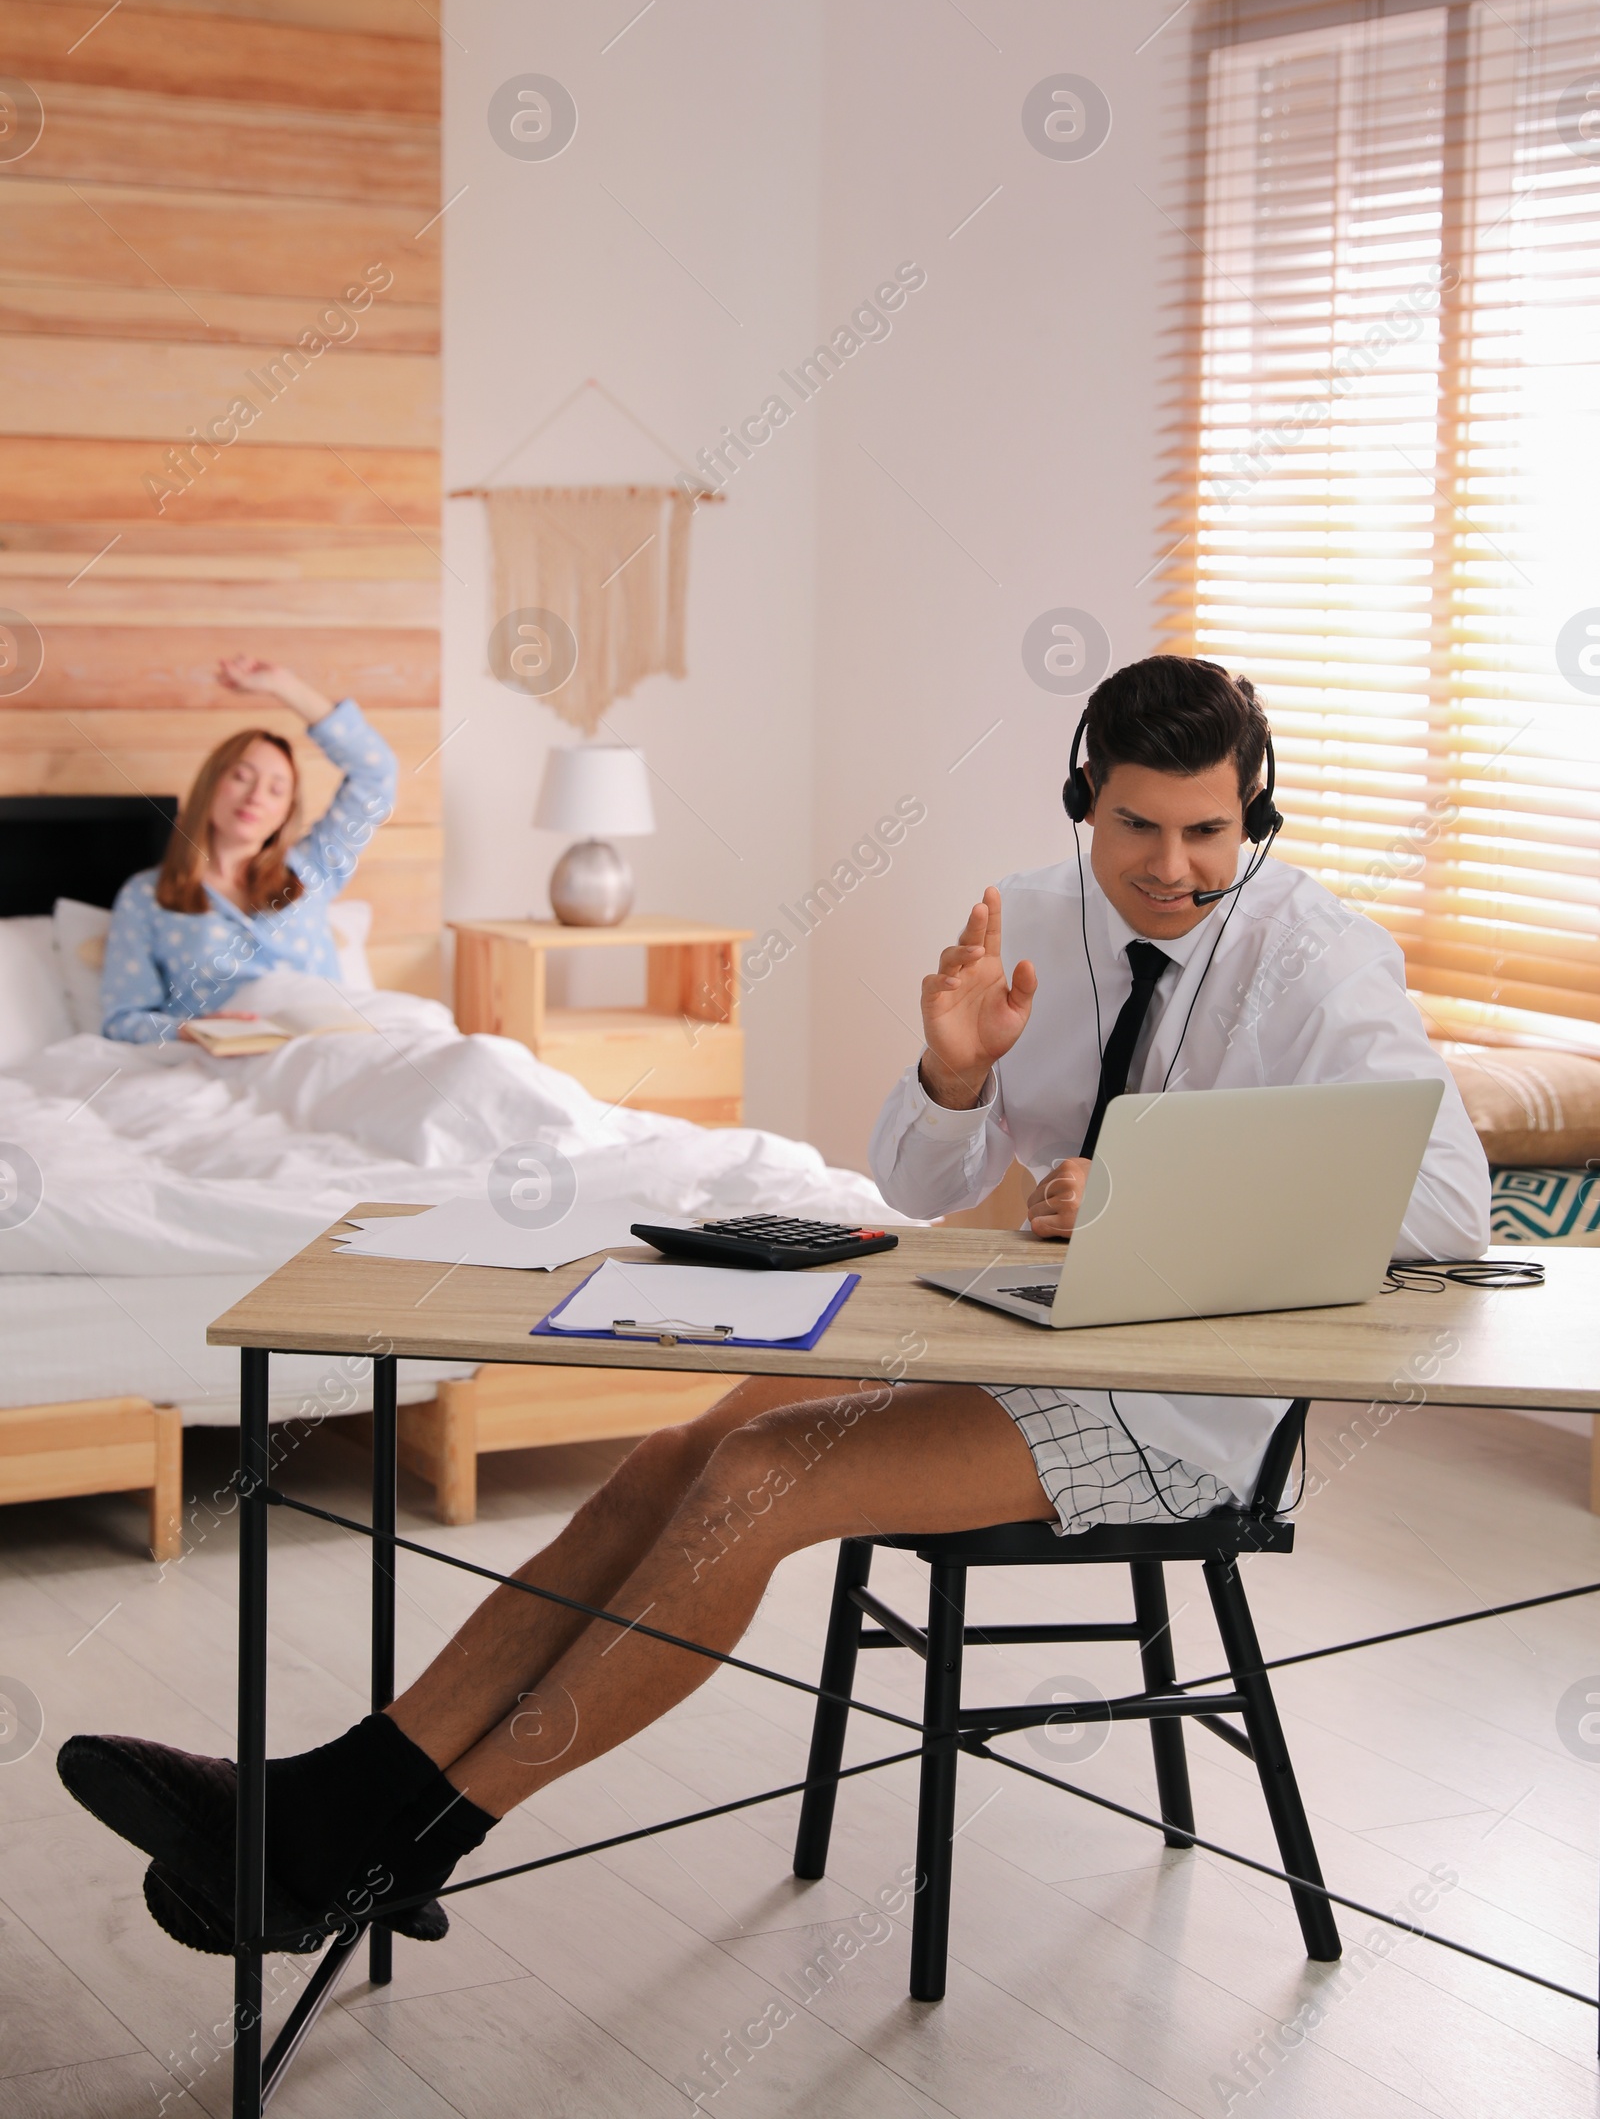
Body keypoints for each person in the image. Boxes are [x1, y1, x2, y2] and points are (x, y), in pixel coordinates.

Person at [58, 654, 1487, 1956]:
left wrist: (1150, 1202)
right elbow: (918, 1179)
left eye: (1209, 834)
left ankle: (383, 1841)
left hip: (1180, 1396)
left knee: (754, 1478)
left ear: (1258, 820)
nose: (1172, 869)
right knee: (672, 1456)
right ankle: (340, 1798)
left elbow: (1445, 1206)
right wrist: (953, 1073)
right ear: (1082, 805)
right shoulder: (1035, 916)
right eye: (1137, 828)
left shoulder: (1319, 958)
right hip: (1020, 1321)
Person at [100, 657, 398, 1044]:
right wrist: (190, 1032)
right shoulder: (146, 897)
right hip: (226, 1056)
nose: (256, 797)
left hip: (325, 1042)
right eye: (242, 777)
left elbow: (376, 774)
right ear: (212, 784)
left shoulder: (314, 868)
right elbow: (123, 1019)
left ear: (285, 813)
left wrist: (284, 687)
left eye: (276, 789)